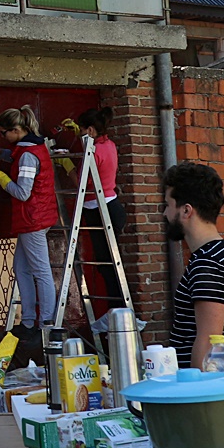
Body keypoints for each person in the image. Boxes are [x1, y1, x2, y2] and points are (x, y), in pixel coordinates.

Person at [162, 162, 224, 371]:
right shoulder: (214, 255)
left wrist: (196, 389)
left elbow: (209, 344)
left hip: (217, 386)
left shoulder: (208, 263)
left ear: (186, 210)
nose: (165, 213)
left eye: (168, 205)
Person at [0, 105, 59, 332]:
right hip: (36, 216)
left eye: (4, 133)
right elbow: (17, 156)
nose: (3, 137)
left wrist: (1, 177)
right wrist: (0, 152)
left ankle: (45, 323)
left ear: (16, 130)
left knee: (41, 272)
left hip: (32, 219)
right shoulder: (33, 146)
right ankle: (28, 320)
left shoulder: (27, 155)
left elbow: (22, 192)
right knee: (21, 268)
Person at [62, 107, 129, 312]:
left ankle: (117, 312)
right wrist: (79, 135)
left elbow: (81, 182)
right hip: (112, 205)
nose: (81, 134)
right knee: (111, 263)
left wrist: (66, 164)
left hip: (98, 209)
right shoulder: (109, 145)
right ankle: (118, 311)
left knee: (107, 266)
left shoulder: (93, 152)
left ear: (90, 130)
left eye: (82, 130)